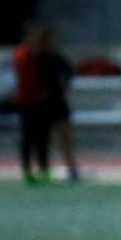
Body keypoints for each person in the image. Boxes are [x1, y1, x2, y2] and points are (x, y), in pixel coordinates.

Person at [38, 29, 80, 182]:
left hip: (59, 102)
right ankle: (44, 169)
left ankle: (72, 168)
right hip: (43, 105)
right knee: (46, 139)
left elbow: (70, 74)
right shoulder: (37, 60)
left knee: (67, 137)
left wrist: (63, 88)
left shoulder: (57, 59)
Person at [13, 22, 52, 185]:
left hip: (40, 103)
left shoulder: (41, 55)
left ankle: (43, 170)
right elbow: (27, 80)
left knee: (43, 137)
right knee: (28, 138)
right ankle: (27, 170)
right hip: (27, 103)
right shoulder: (22, 55)